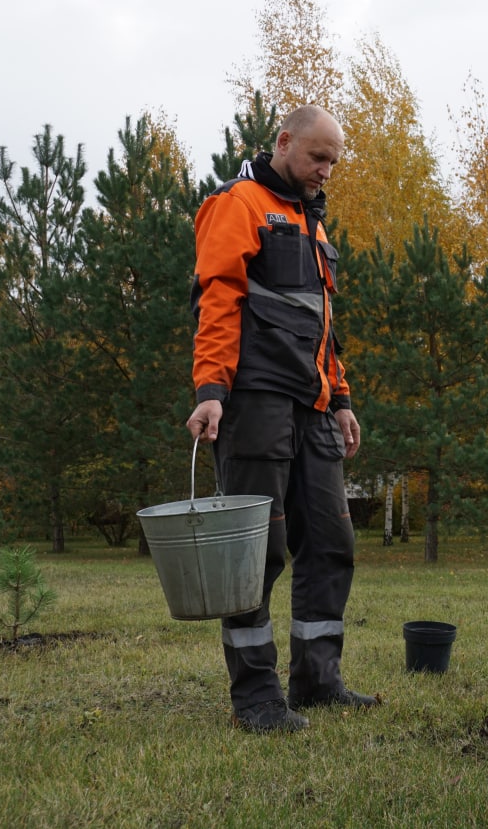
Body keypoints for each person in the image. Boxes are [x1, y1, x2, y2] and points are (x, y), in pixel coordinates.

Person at [185, 104, 380, 733]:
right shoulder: (238, 204)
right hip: (255, 406)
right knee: (255, 555)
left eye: (333, 162)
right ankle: (258, 699)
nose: (326, 170)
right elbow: (218, 298)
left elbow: (323, 330)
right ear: (285, 141)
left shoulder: (313, 225)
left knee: (330, 543)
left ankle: (318, 682)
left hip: (315, 409)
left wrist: (342, 399)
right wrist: (211, 389)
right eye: (317, 157)